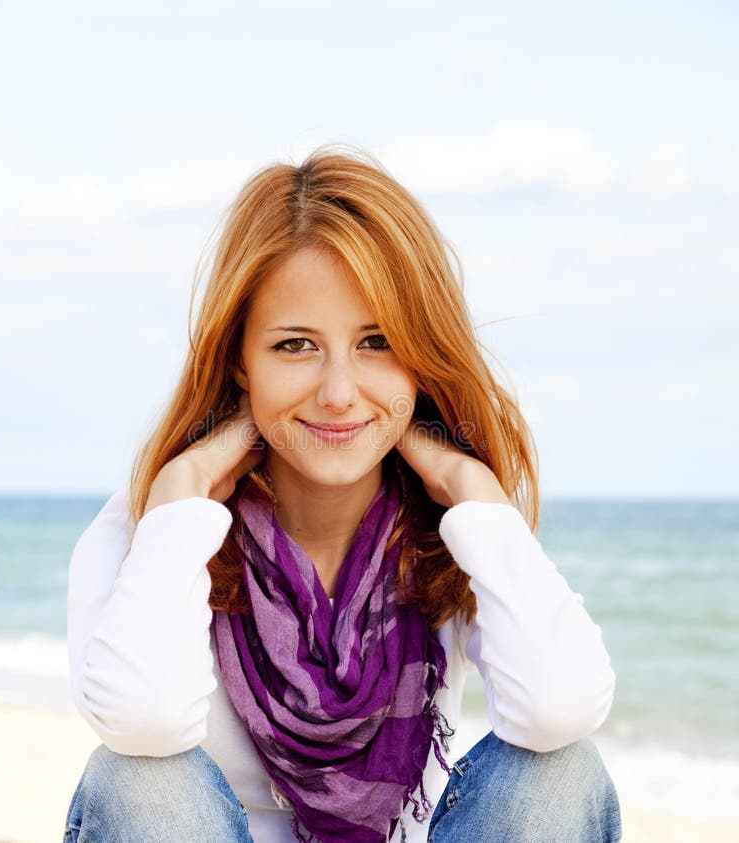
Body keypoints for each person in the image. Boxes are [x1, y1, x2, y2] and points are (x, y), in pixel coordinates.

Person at [63, 144, 622, 843]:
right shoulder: (151, 529)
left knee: (560, 772)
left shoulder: (451, 525)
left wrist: (475, 491)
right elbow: (141, 721)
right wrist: (178, 504)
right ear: (239, 359)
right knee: (137, 781)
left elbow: (559, 707)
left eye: (377, 342)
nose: (337, 393)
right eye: (295, 345)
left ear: (423, 355)